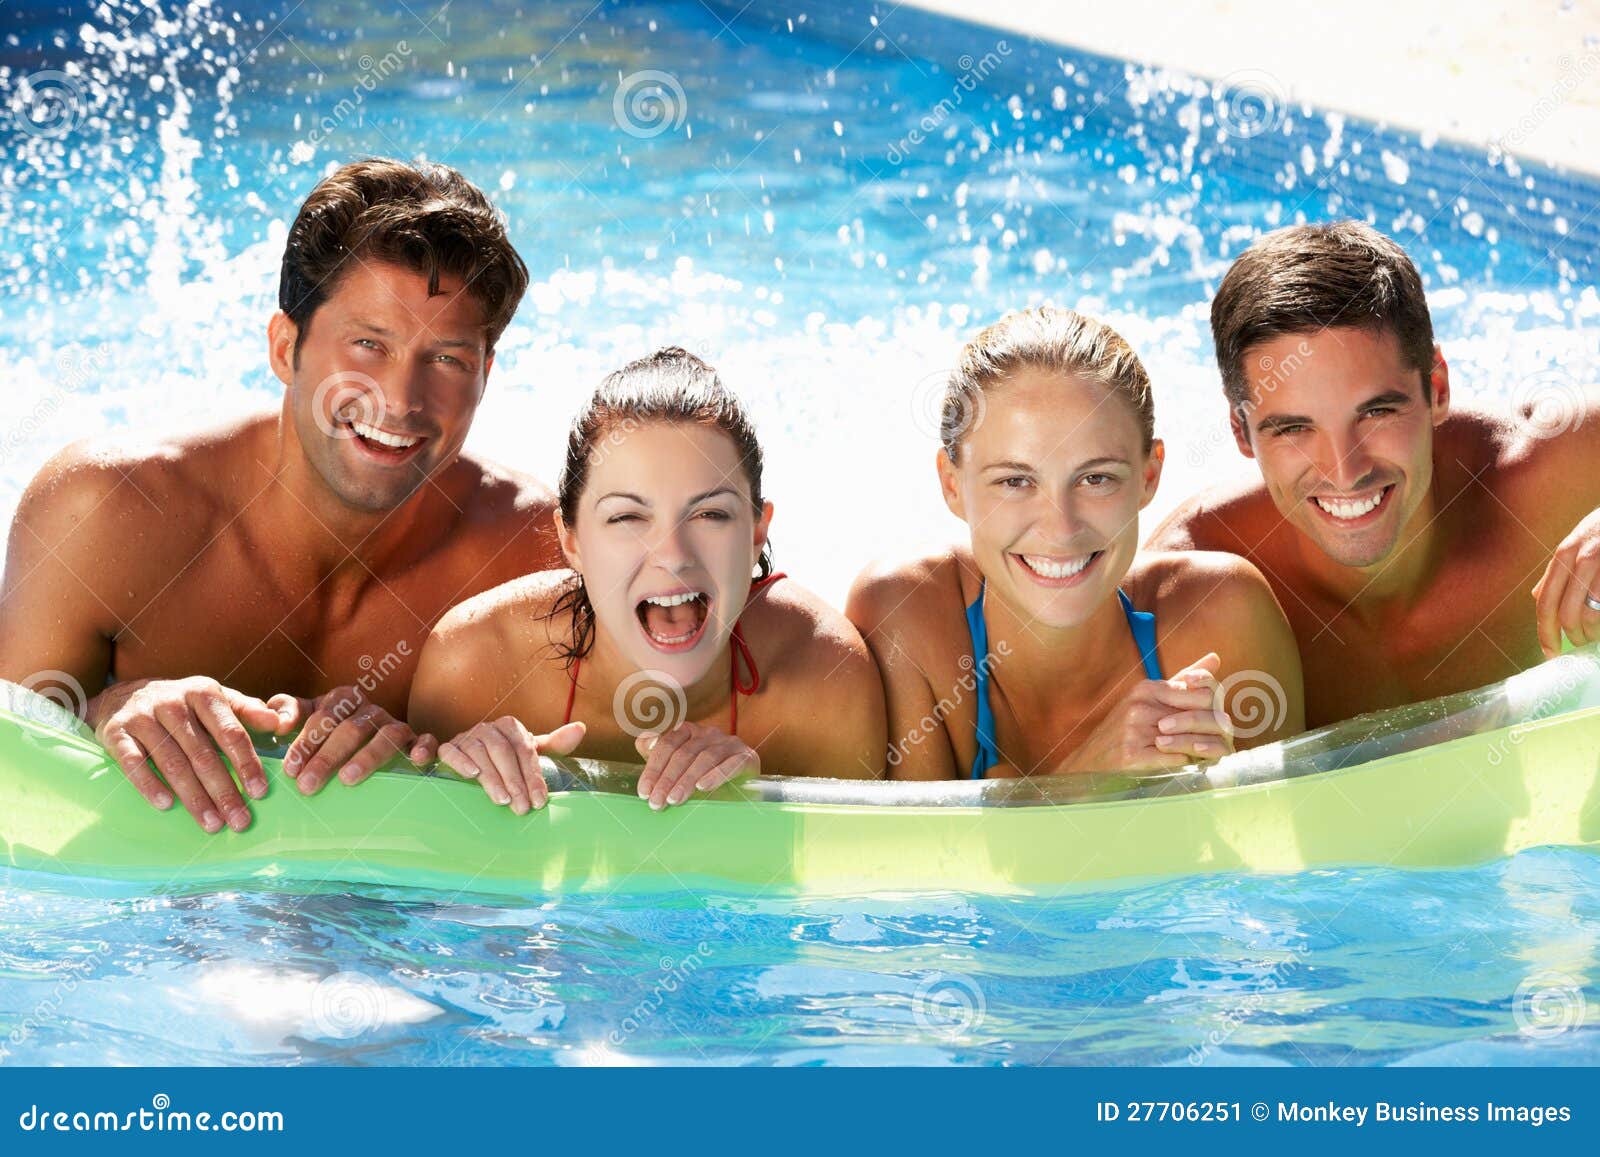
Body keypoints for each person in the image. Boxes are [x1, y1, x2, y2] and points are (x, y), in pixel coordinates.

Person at [0, 158, 563, 833]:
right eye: (368, 344)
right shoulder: (104, 511)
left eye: (447, 359)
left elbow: (612, 775)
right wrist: (104, 709)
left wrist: (447, 755)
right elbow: (14, 778)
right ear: (283, 347)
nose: (400, 400)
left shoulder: (531, 556)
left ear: (486, 374)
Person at [1147, 220, 1600, 726]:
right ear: (1240, 430)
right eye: (1294, 428)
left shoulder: (1552, 474)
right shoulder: (1183, 596)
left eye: (1376, 413)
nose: (1345, 472)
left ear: (1437, 389)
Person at [408, 347, 885, 811]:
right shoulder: (474, 663)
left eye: (711, 514)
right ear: (572, 541)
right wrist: (476, 795)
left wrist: (755, 811)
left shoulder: (826, 682)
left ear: (757, 534)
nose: (673, 557)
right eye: (627, 518)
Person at [847, 307, 1304, 780]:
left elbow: (1289, 825)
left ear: (1149, 476)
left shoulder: (1223, 617)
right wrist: (1087, 778)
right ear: (952, 485)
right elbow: (910, 833)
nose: (1061, 529)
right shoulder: (906, 618)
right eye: (1015, 481)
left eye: (1095, 478)